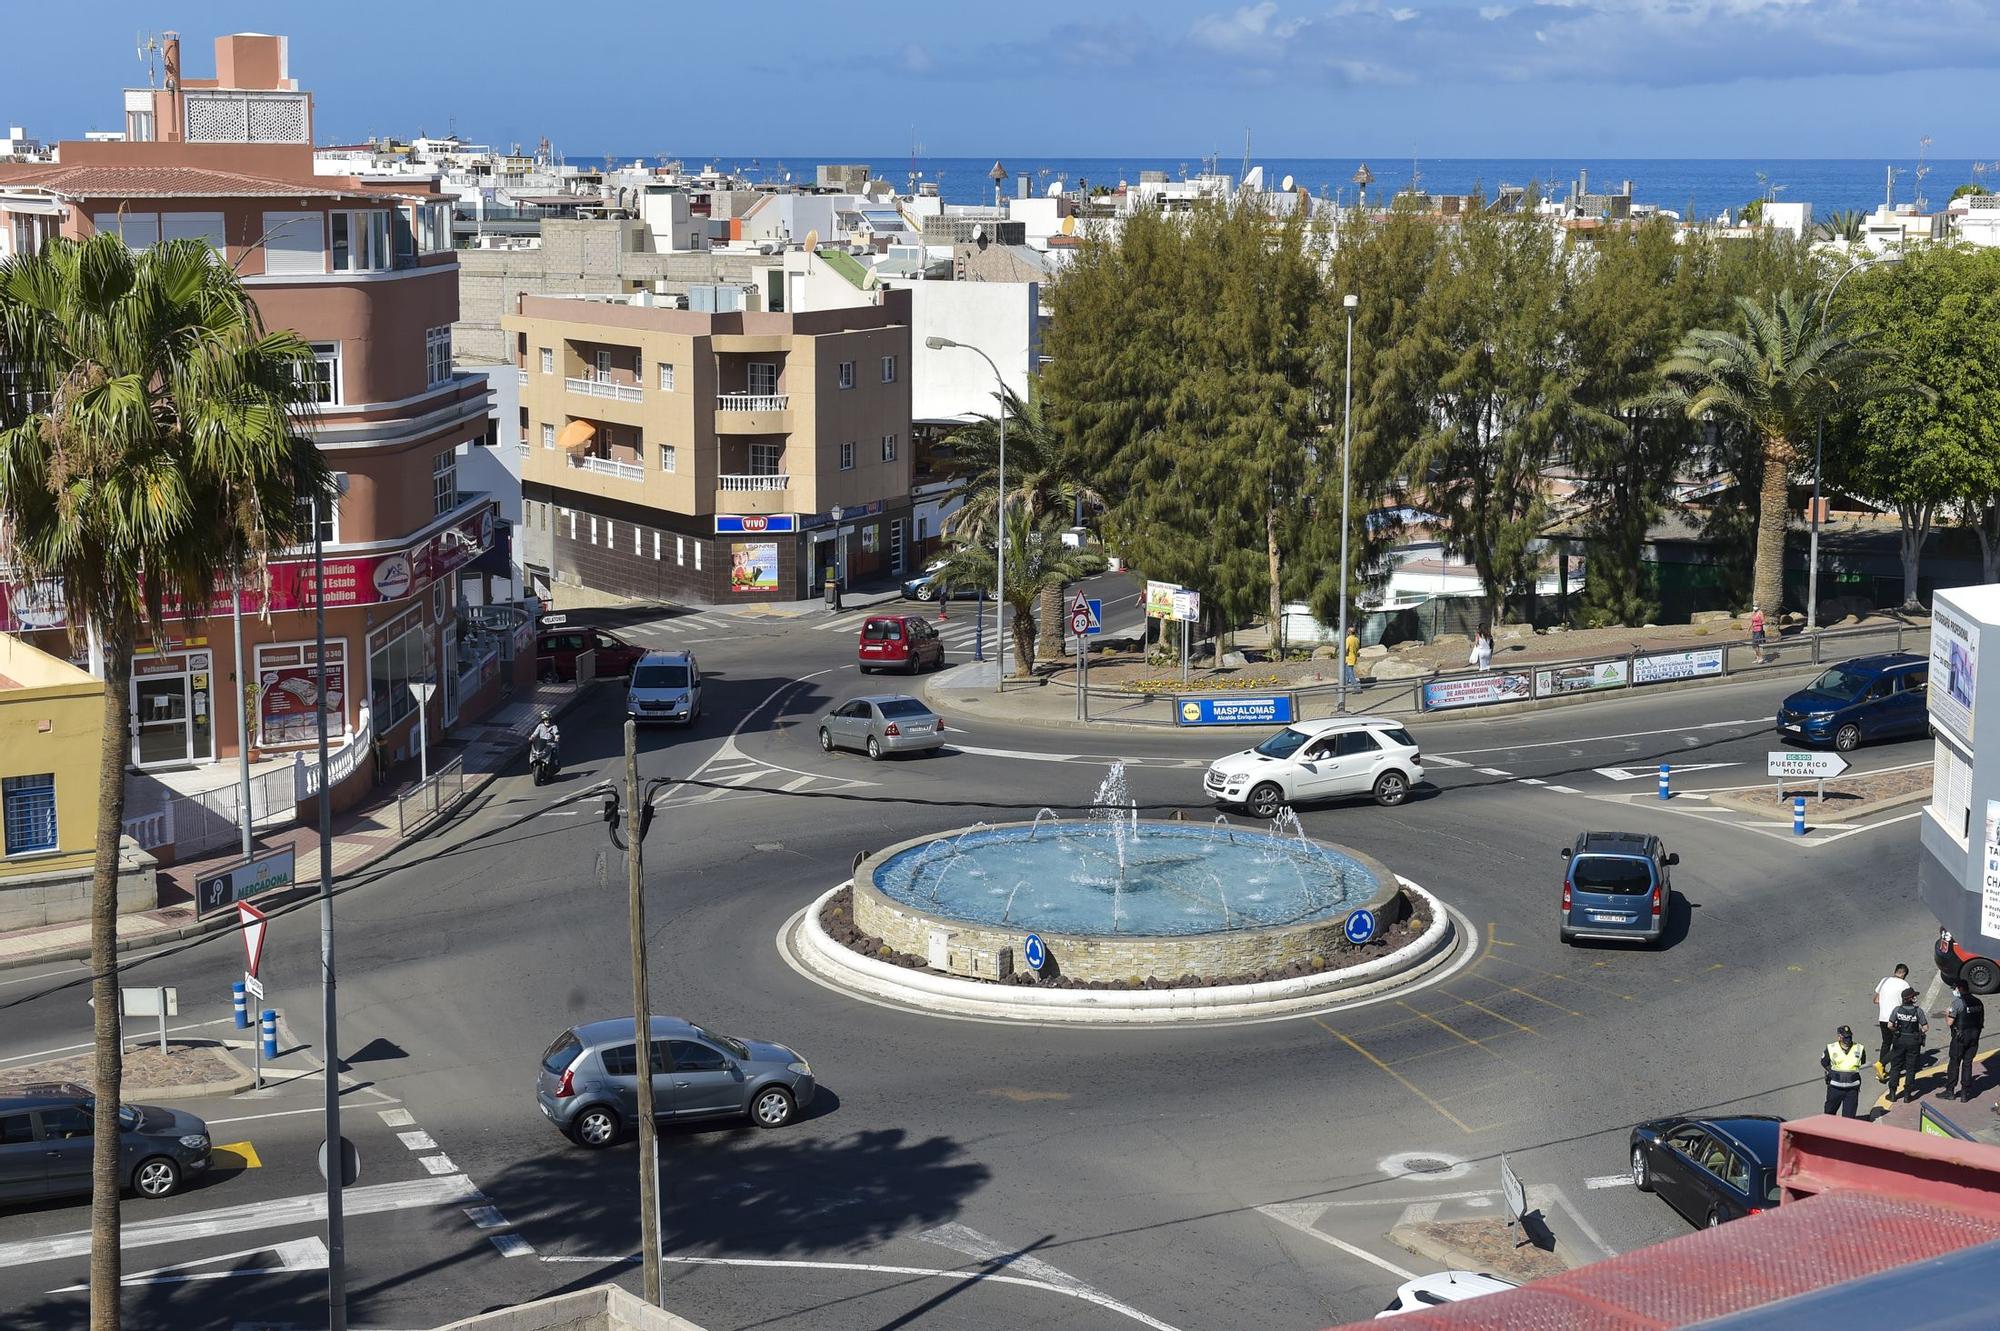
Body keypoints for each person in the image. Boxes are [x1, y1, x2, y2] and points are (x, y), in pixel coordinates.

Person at [1942, 977, 1986, 1101]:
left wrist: (1946, 1014)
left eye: (1956, 988)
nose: (1955, 990)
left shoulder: (1958, 1002)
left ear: (1960, 989)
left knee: (1954, 1063)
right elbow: (1981, 1021)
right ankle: (1965, 1093)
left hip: (1960, 1038)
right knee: (1967, 1063)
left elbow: (1950, 1022)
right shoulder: (1978, 1002)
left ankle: (1950, 1091)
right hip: (1974, 1037)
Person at [1885, 985, 1930, 1102]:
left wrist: (1897, 1031)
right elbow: (1925, 1027)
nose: (1916, 997)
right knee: (1911, 1068)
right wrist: (1918, 1033)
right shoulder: (1918, 1011)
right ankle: (1907, 1095)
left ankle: (1893, 1093)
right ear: (1911, 998)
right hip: (1913, 1042)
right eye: (1914, 996)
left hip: (1899, 1040)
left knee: (1895, 1067)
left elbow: (1890, 1025)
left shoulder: (1897, 1010)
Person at [1873, 963, 1910, 1082]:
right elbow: (1907, 1002)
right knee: (1899, 1045)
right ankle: (1885, 1066)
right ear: (1904, 974)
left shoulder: (1884, 980)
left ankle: (1882, 1070)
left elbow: (1876, 999)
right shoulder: (1904, 984)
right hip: (1896, 1019)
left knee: (1886, 1043)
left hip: (1883, 1017)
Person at [1821, 1024, 1866, 1117]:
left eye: (1849, 1036)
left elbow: (1862, 1061)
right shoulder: (1831, 1048)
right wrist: (1832, 1072)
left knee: (1849, 1118)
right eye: (1845, 1037)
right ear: (1839, 1037)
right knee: (1829, 1113)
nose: (1848, 1039)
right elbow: (1824, 1062)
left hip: (1852, 1089)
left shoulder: (1859, 1048)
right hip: (1835, 1088)